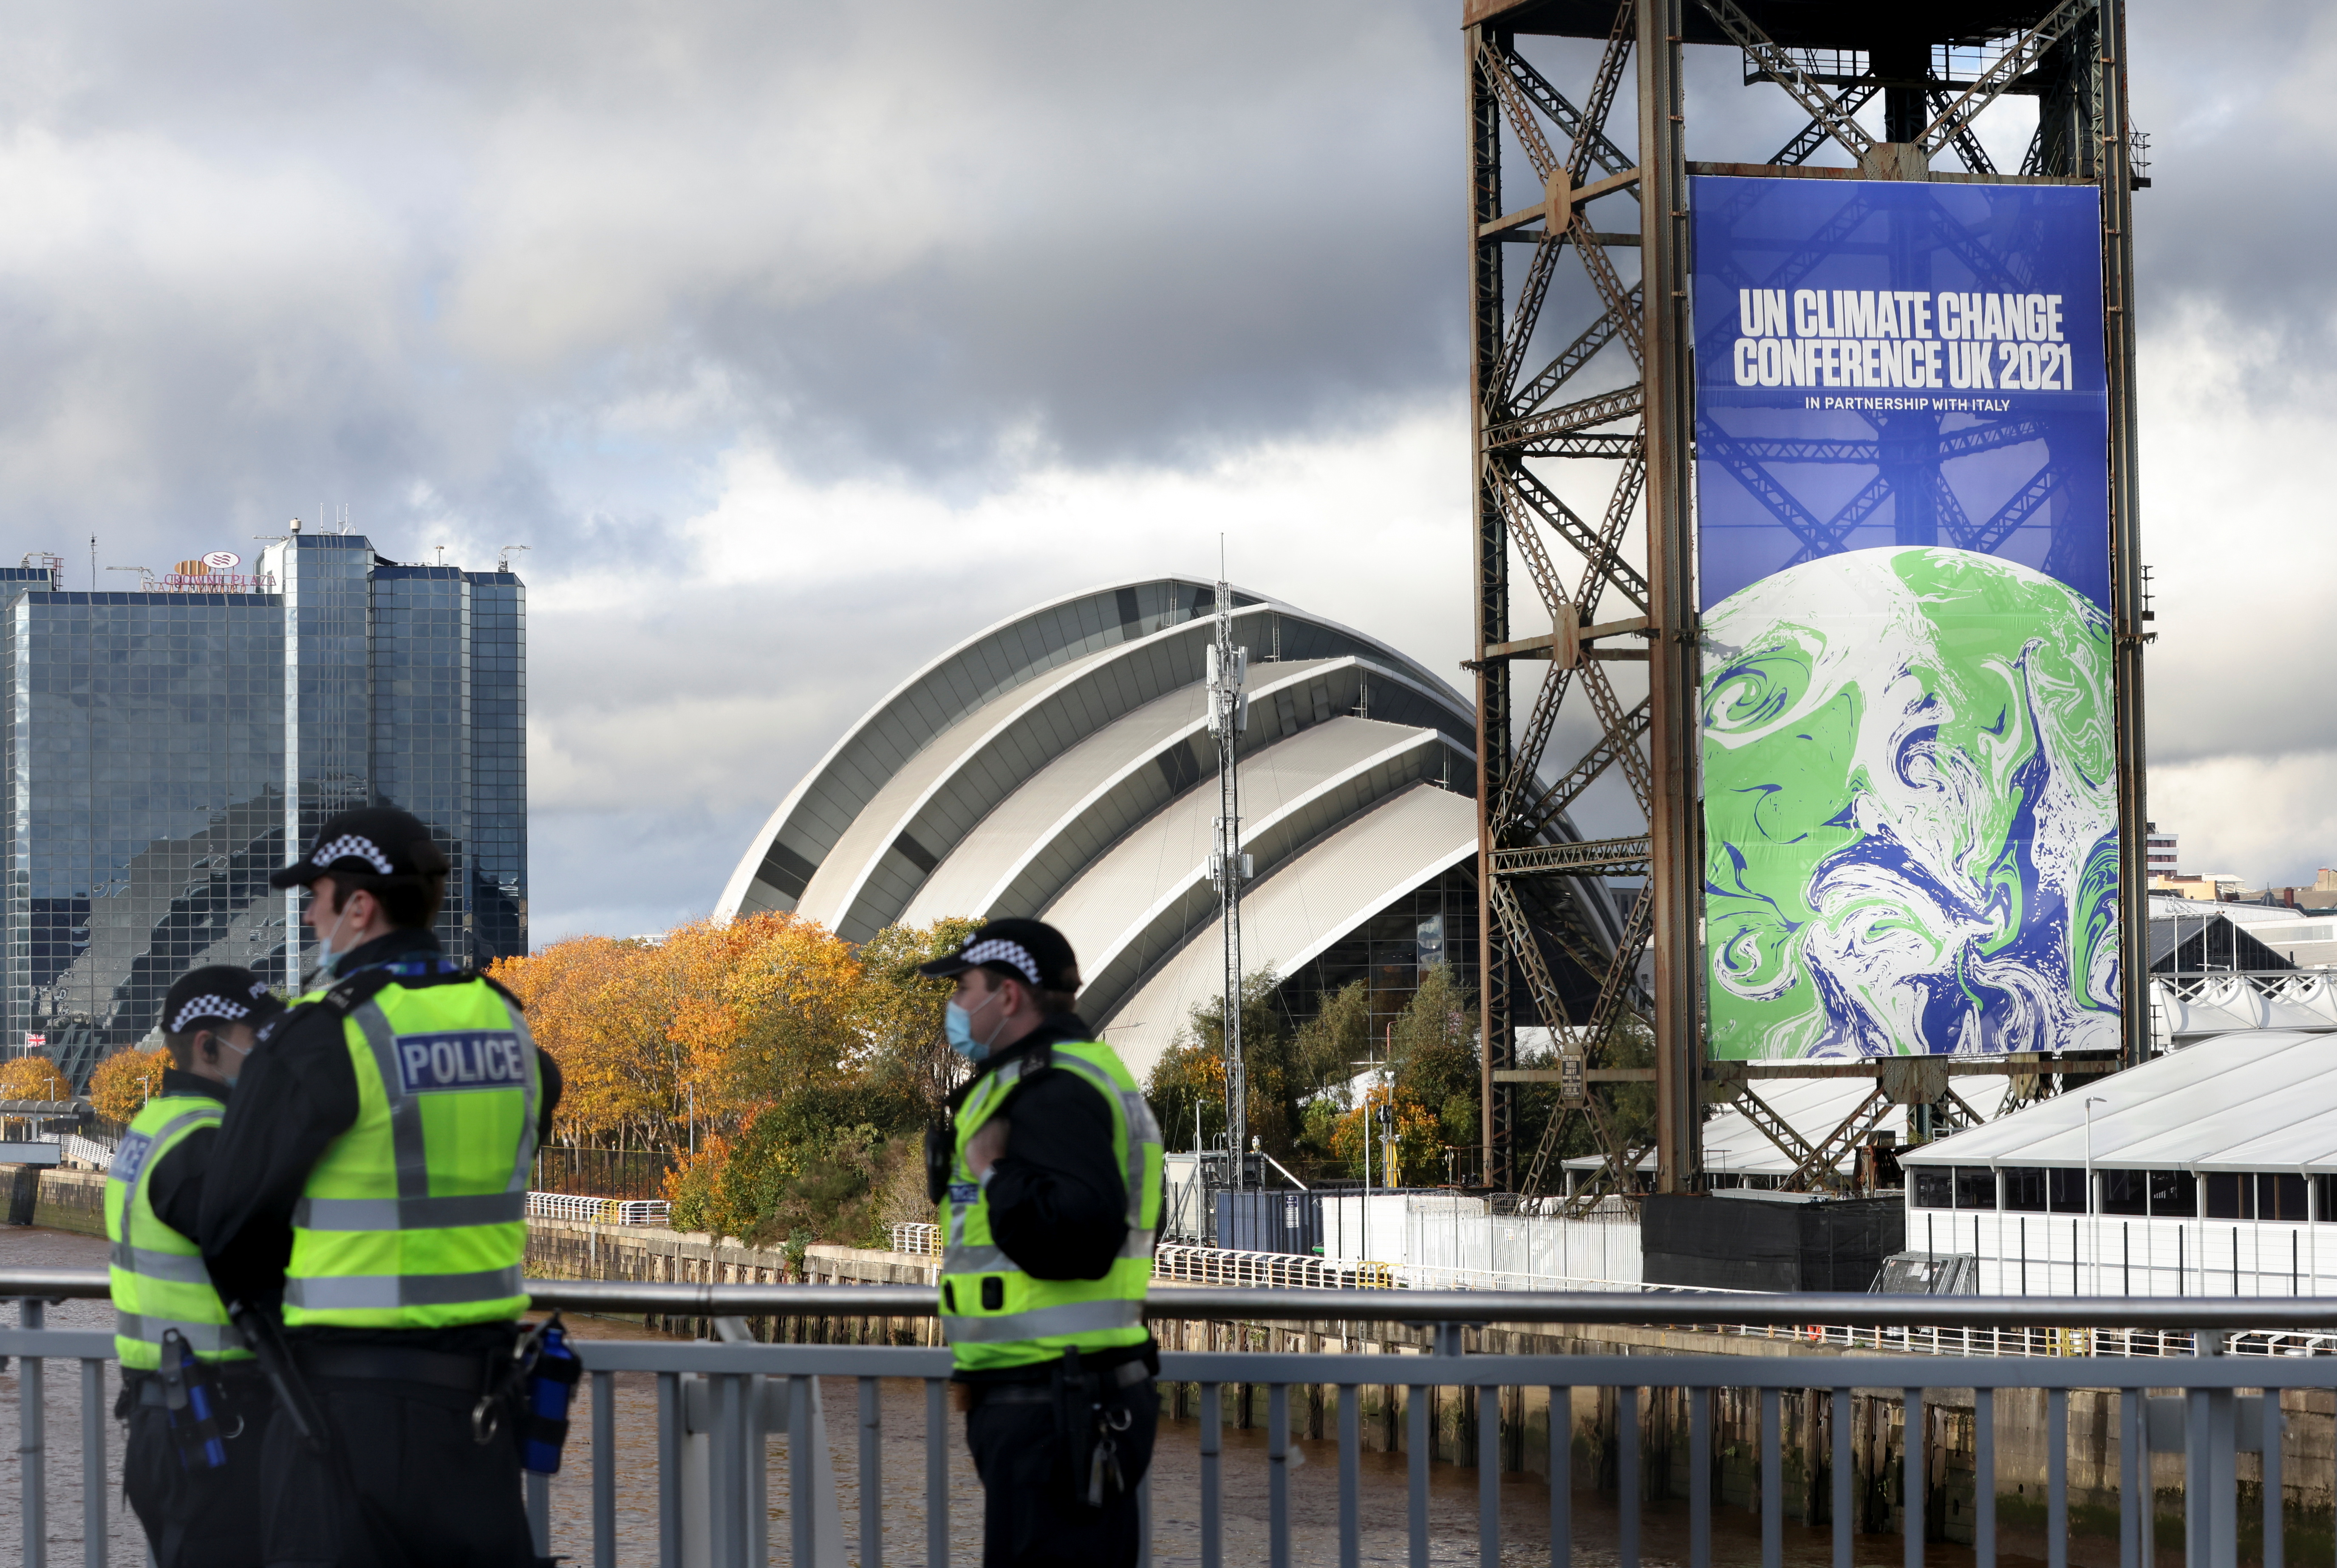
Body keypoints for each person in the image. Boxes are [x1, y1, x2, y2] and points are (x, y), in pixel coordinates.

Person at [198, 806, 563, 1568]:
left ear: (358, 906)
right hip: (485, 1413)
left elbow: (229, 1223)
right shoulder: (510, 1027)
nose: (307, 911)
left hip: (347, 1415)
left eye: (317, 895)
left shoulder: (324, 1035)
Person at [918, 918, 1165, 1568]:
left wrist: (996, 1172)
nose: (955, 1007)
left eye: (964, 988)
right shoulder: (1064, 1077)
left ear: (1009, 996)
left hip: (1058, 1403)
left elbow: (1083, 1234)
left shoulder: (1053, 1090)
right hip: (1059, 1395)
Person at [108, 965, 285, 1567]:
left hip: (172, 1414)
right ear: (209, 1046)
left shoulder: (153, 1127)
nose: (270, 1052)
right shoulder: (204, 1145)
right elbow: (270, 1265)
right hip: (219, 1421)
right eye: (258, 1037)